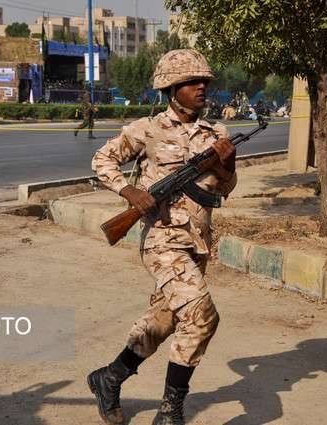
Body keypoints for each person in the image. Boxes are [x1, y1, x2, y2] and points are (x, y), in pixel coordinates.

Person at [89, 49, 237, 425]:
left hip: (198, 242)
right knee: (202, 316)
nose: (201, 86)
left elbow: (223, 190)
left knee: (163, 321)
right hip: (162, 240)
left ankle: (109, 377)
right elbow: (102, 160)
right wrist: (129, 191)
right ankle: (171, 411)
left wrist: (227, 164)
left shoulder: (216, 134)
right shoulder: (147, 129)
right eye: (192, 81)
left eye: (204, 81)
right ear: (172, 89)